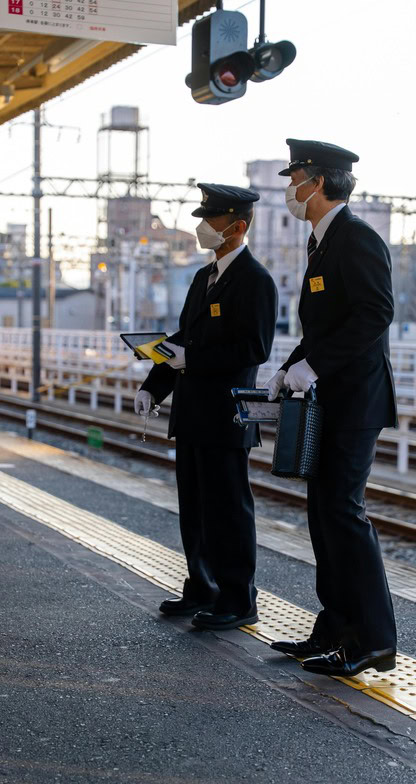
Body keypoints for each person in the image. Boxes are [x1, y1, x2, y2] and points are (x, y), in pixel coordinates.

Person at [266, 139, 398, 676]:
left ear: (317, 182)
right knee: (323, 514)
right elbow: (324, 326)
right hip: (330, 399)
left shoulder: (356, 238)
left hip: (355, 401)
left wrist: (314, 367)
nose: (290, 190)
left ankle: (373, 640)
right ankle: (336, 628)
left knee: (344, 514)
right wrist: (290, 364)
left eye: (294, 178)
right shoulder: (322, 243)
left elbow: (374, 314)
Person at [135, 183, 278, 631]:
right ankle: (201, 586)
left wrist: (192, 360)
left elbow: (254, 349)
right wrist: (152, 386)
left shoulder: (256, 281)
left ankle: (239, 598)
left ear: (236, 227)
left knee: (229, 510)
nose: (201, 227)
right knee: (194, 505)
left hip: (225, 415)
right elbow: (180, 340)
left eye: (210, 220)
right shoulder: (204, 277)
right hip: (193, 412)